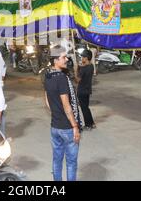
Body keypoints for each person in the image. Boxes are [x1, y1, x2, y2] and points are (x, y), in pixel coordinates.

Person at [43, 45, 82, 181]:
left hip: (55, 126)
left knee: (57, 160)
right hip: (67, 128)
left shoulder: (47, 76)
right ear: (55, 60)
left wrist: (56, 113)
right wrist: (75, 126)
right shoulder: (62, 78)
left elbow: (47, 101)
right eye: (63, 57)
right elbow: (67, 106)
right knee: (71, 163)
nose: (66, 59)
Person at [76, 50, 96, 130]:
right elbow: (85, 69)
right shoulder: (91, 66)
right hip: (87, 90)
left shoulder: (83, 69)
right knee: (86, 108)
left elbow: (77, 80)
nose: (81, 59)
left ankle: (88, 125)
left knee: (84, 109)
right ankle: (92, 123)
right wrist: (80, 67)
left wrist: (76, 69)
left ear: (86, 58)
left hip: (82, 91)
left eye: (83, 57)